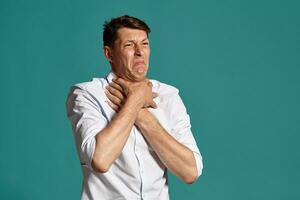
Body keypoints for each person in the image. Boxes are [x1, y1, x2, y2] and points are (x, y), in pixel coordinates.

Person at [66, 15, 203, 200]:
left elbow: (190, 171)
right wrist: (135, 100)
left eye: (145, 44)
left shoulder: (168, 96)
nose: (140, 52)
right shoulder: (86, 94)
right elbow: (100, 160)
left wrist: (141, 113)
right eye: (129, 45)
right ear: (109, 53)